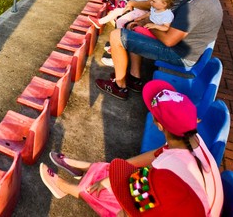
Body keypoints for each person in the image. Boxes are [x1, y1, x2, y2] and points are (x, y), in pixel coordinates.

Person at [40, 81, 223, 216]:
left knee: (107, 194)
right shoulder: (192, 140)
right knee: (114, 177)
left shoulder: (164, 171)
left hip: (174, 206)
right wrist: (112, 171)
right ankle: (86, 169)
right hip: (184, 205)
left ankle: (64, 187)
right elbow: (153, 158)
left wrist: (110, 180)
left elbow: (134, 207)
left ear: (158, 124)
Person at [98, 0, 222, 99]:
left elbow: (169, 40)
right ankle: (134, 78)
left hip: (180, 56)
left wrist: (150, 25)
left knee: (116, 36)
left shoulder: (195, 7)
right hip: (189, 50)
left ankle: (119, 87)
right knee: (134, 31)